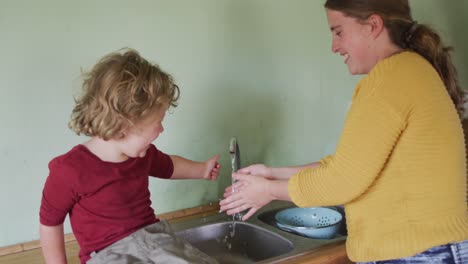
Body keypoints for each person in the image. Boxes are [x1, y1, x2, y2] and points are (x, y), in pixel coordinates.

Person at [220, 0, 468, 263]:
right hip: (429, 249)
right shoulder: (408, 71)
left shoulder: (391, 78)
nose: (334, 46)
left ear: (373, 26)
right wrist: (272, 175)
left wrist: (270, 191)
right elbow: (349, 167)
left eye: (338, 32)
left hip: (419, 253)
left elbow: (342, 180)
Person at [40, 48, 221, 264]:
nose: (161, 130)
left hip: (154, 240)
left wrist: (202, 169)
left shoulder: (141, 155)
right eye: (157, 123)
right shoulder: (69, 170)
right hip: (109, 254)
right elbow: (50, 223)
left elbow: (169, 166)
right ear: (125, 125)